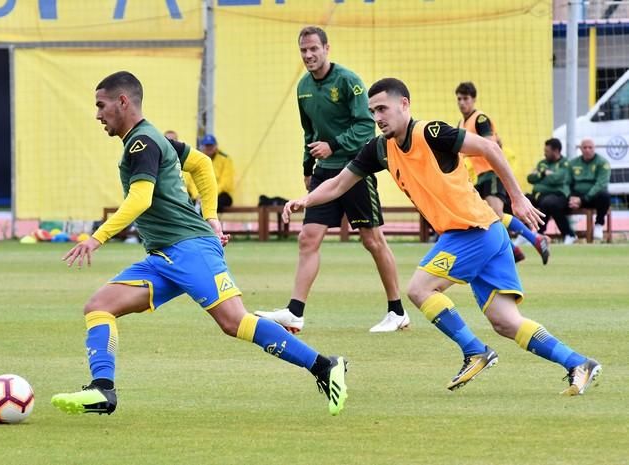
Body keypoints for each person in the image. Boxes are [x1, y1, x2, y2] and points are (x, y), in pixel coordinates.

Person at [50, 71, 348, 417]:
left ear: (123, 102)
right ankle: (103, 390)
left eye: (101, 106)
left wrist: (97, 237)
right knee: (99, 306)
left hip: (189, 249)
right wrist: (213, 218)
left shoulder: (141, 143)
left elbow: (140, 198)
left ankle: (325, 367)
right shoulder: (152, 139)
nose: (98, 115)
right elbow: (202, 164)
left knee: (234, 322)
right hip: (164, 256)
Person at [281, 77, 601, 395]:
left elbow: (489, 147)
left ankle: (474, 351)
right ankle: (577, 363)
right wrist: (305, 200)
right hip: (484, 233)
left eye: (383, 108)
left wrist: (516, 197)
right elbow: (337, 184)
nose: (377, 117)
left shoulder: (432, 133)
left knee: (420, 288)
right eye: (372, 111)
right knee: (505, 321)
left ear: (404, 105)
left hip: (472, 231)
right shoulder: (380, 149)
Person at [255, 26, 407, 334]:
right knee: (307, 238)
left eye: (314, 49)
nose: (309, 55)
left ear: (327, 48)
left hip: (354, 170)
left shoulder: (349, 81)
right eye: (303, 50)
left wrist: (333, 145)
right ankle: (295, 312)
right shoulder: (303, 88)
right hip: (324, 172)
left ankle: (397, 311)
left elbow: (366, 126)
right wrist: (308, 166)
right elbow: (309, 133)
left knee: (372, 240)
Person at [455, 82, 549, 264]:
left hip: (492, 172)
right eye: (459, 99)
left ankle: (534, 240)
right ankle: (515, 250)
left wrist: (463, 151)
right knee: (485, 217)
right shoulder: (461, 123)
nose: (462, 103)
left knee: (495, 215)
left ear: (473, 99)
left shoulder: (481, 119)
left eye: (465, 98)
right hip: (479, 176)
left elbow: (489, 145)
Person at [526, 138, 575, 245]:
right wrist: (544, 173)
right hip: (540, 195)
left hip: (560, 195)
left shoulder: (565, 163)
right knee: (524, 201)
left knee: (549, 203)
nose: (545, 153)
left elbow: (557, 179)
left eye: (547, 151)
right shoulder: (542, 163)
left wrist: (540, 177)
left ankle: (569, 234)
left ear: (556, 151)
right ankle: (526, 234)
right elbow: (530, 178)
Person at [568, 138, 611, 242]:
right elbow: (567, 182)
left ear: (594, 148)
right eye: (584, 147)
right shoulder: (573, 163)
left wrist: (583, 199)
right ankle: (568, 233)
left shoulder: (602, 162)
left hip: (592, 198)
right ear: (581, 149)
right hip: (576, 198)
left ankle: (599, 224)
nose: (587, 150)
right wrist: (570, 197)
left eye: (590, 147)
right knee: (555, 201)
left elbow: (601, 184)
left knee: (604, 195)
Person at [197, 134, 234, 213]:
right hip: (201, 195)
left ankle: (208, 224)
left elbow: (225, 182)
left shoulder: (225, 159)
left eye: (211, 145)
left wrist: (210, 194)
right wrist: (196, 195)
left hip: (219, 193)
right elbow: (191, 180)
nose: (209, 148)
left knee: (217, 203)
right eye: (207, 146)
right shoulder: (198, 159)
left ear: (216, 146)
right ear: (203, 147)